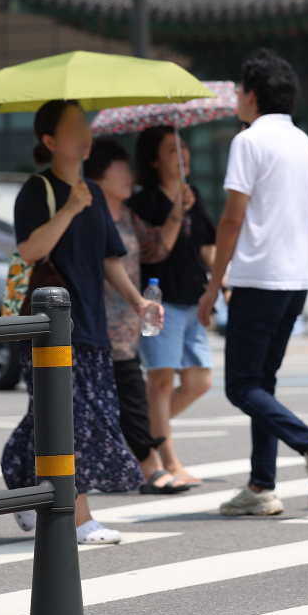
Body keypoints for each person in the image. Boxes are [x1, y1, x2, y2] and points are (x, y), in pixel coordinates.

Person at [196, 48, 308, 516]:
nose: (237, 99)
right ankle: (262, 486)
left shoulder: (248, 141)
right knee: (262, 383)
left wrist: (213, 284)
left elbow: (231, 219)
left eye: (240, 91)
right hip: (294, 279)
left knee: (241, 386)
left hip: (256, 278)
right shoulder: (301, 140)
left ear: (253, 95)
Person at [2, 100, 162, 544]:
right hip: (46, 332)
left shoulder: (92, 190)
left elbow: (110, 259)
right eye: (73, 125)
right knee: (71, 423)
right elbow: (31, 251)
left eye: (85, 123)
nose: (84, 131)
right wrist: (70, 208)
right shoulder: (39, 192)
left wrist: (137, 303)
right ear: (50, 141)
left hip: (92, 328)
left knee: (63, 418)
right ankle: (79, 517)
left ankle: (24, 482)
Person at [86, 138, 191, 495]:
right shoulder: (87, 217)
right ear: (99, 176)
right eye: (123, 170)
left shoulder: (128, 216)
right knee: (129, 399)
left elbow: (157, 247)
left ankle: (129, 469)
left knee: (113, 404)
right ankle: (152, 469)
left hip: (127, 330)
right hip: (95, 328)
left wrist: (177, 210)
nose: (130, 177)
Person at [128, 126, 216, 488]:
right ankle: (168, 461)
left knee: (199, 380)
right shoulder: (145, 201)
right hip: (158, 301)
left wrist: (222, 284)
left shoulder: (192, 194)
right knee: (161, 380)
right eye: (170, 150)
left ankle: (134, 438)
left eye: (183, 147)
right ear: (152, 160)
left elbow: (207, 246)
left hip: (192, 299)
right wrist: (176, 213)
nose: (182, 155)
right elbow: (153, 250)